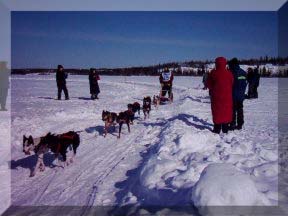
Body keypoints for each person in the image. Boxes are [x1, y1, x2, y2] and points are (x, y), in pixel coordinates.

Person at [207, 57, 234, 134]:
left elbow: (209, 85)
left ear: (216, 64)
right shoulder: (229, 73)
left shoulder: (213, 73)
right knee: (226, 112)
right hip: (227, 97)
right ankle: (225, 129)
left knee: (217, 112)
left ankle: (217, 129)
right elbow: (232, 83)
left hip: (216, 97)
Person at [228, 58, 247, 130]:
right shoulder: (243, 72)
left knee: (232, 110)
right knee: (240, 110)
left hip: (233, 95)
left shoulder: (231, 72)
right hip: (241, 95)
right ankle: (240, 124)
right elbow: (245, 83)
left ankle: (232, 124)